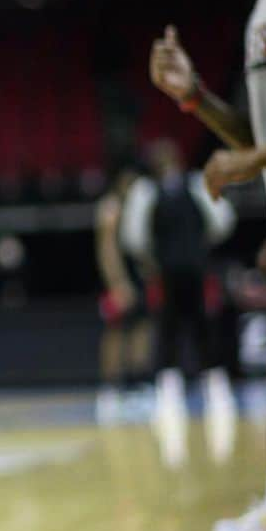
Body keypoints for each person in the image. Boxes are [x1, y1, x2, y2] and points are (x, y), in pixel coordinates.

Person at [150, 0, 266, 531]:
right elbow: (261, 136)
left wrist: (247, 166)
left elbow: (258, 152)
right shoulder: (263, 7)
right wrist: (195, 97)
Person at [120, 139, 237, 464]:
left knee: (204, 328)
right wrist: (157, 258)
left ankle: (216, 390)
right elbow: (134, 236)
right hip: (166, 274)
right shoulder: (146, 192)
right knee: (167, 331)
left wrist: (197, 248)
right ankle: (168, 396)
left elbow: (223, 219)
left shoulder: (197, 184)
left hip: (196, 271)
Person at [94, 167, 153, 426]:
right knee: (115, 332)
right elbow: (106, 250)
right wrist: (117, 283)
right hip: (119, 280)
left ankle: (137, 385)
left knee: (141, 329)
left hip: (137, 277)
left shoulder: (138, 208)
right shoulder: (111, 208)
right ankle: (110, 391)